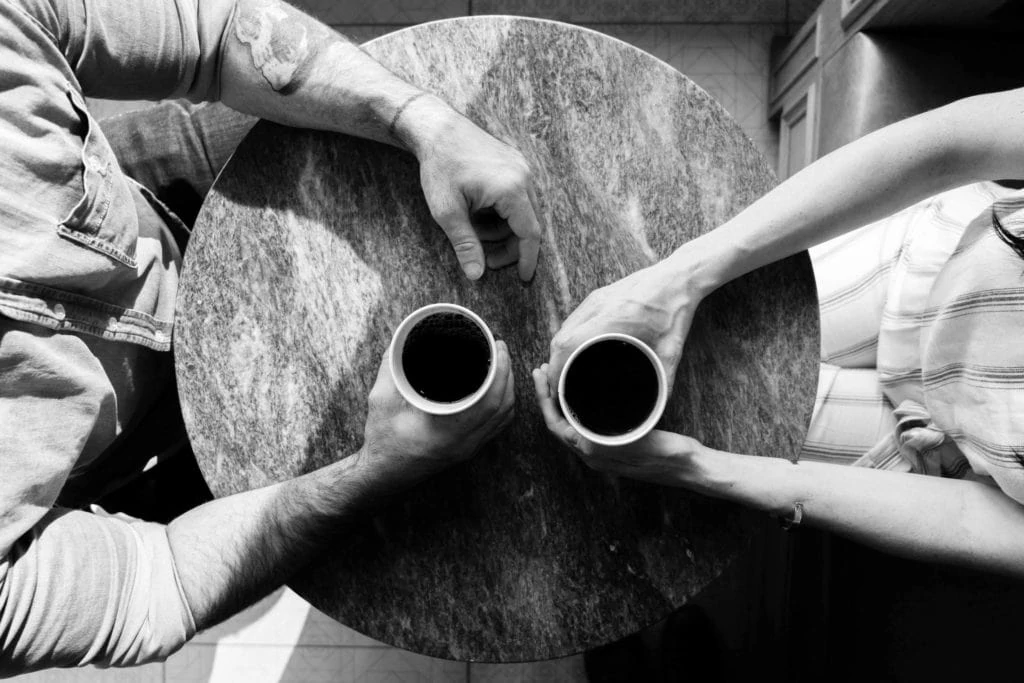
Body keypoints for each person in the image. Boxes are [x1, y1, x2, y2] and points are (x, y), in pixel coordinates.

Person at [0, 0, 541, 673]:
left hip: (151, 189)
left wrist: (421, 120)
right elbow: (159, 580)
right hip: (132, 439)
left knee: (482, 133)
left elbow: (218, 36)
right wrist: (371, 473)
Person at [533, 86, 1024, 577]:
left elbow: (970, 522)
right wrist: (680, 278)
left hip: (947, 454)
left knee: (702, 423)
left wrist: (695, 465)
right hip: (932, 267)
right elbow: (948, 143)